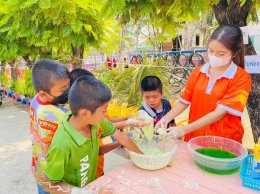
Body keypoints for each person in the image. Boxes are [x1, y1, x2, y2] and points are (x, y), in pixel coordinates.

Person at [155, 25, 252, 143]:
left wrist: (184, 129)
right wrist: (165, 119)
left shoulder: (241, 78)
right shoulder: (199, 71)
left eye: (221, 54)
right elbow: (184, 100)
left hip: (224, 142)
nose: (214, 56)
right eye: (211, 51)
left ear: (235, 53)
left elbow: (219, 113)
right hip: (195, 137)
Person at [44, 76, 143, 190]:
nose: (106, 114)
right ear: (85, 114)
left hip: (90, 186)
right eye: (104, 111)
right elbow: (49, 185)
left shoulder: (95, 122)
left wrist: (146, 158)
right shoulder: (62, 144)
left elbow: (121, 139)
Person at [30, 60, 70, 194]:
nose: (68, 91)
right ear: (43, 93)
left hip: (39, 167)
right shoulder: (55, 114)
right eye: (62, 89)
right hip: (54, 174)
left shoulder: (36, 99)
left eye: (68, 85)